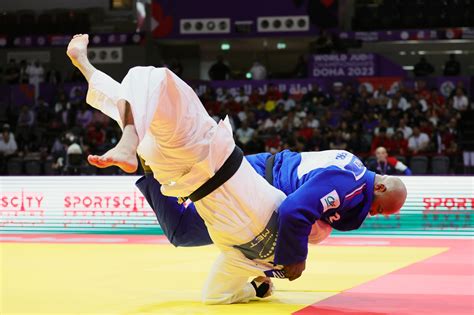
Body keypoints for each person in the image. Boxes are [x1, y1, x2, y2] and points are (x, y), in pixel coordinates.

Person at [67, 34, 408, 304]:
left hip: (218, 184)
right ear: (378, 188)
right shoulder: (348, 182)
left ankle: (134, 143)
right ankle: (128, 137)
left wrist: (267, 274)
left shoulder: (344, 190)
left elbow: (302, 216)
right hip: (242, 171)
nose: (373, 213)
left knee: (182, 230)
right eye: (379, 209)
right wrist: (295, 257)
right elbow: (295, 210)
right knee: (152, 88)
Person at [68, 34, 286, 304]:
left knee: (148, 78)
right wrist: (264, 280)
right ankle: (88, 71)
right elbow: (310, 219)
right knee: (138, 100)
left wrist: (258, 283)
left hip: (194, 159)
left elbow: (214, 294)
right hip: (194, 163)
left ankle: (126, 138)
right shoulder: (280, 219)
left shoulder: (237, 256)